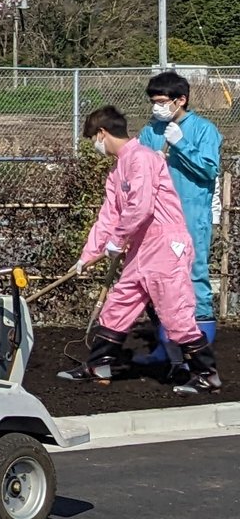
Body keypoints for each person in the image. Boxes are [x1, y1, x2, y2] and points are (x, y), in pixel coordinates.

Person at [67, 107, 219, 393]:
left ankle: (206, 375)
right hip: (141, 248)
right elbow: (108, 215)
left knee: (175, 313)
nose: (95, 145)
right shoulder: (118, 170)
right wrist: (88, 254)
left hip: (165, 246)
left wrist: (117, 239)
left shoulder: (143, 159)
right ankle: (98, 365)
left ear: (102, 133)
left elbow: (141, 206)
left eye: (93, 138)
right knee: (118, 305)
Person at [140, 70, 221, 347]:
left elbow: (209, 170)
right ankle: (168, 349)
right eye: (153, 102)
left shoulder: (204, 130)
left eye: (162, 102)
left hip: (191, 216)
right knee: (156, 281)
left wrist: (181, 145)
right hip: (157, 221)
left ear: (181, 100)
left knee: (194, 275)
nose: (157, 107)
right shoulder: (150, 131)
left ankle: (199, 352)